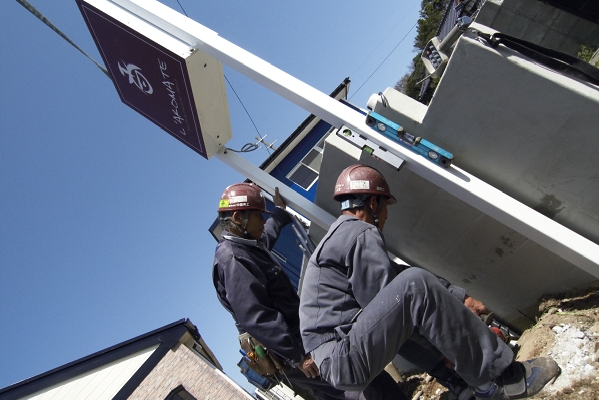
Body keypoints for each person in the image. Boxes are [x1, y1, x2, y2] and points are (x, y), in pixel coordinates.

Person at [299, 164, 560, 400]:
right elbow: (396, 294)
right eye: (386, 206)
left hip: (338, 362)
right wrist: (447, 345)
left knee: (409, 287)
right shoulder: (360, 232)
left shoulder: (341, 236)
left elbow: (395, 280)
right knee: (414, 286)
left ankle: (465, 385)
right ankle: (500, 379)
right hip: (343, 356)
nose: (387, 216)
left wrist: (459, 299)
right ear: (373, 203)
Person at [212, 182, 405, 400]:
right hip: (296, 349)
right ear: (239, 218)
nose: (264, 220)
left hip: (297, 343)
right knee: (363, 382)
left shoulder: (247, 246)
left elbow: (268, 236)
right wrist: (299, 356)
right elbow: (257, 317)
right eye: (258, 215)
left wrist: (280, 212)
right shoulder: (234, 259)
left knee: (336, 393)